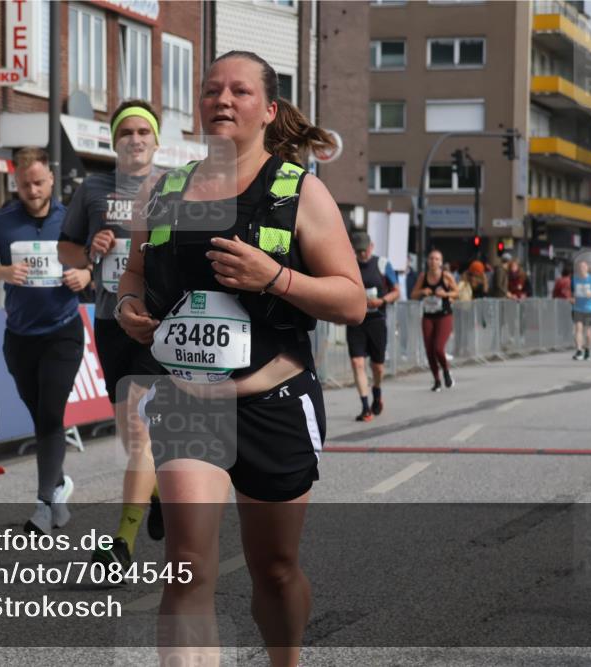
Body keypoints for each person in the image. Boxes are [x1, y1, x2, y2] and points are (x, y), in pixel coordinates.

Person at [117, 50, 365, 666]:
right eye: (212, 91)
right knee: (186, 569)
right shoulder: (164, 188)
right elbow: (135, 273)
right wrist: (129, 309)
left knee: (275, 571)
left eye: (240, 92)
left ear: (268, 109)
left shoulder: (297, 191)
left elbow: (352, 301)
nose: (223, 100)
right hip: (189, 405)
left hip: (273, 402)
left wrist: (274, 277)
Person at [57, 99, 165, 570]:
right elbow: (65, 252)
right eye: (127, 133)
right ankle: (158, 493)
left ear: (156, 141)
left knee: (140, 433)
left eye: (144, 132)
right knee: (130, 435)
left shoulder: (173, 185)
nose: (136, 140)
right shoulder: (93, 188)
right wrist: (88, 249)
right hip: (108, 321)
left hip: (156, 323)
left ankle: (121, 543)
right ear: (114, 141)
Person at [0, 147, 92, 533]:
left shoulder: (71, 219)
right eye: (24, 185)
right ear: (15, 183)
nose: (32, 191)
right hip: (19, 337)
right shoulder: (4, 222)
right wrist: (0, 271)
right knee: (41, 419)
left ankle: (42, 505)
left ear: (52, 179)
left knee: (52, 416)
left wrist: (85, 276)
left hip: (63, 333)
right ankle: (57, 484)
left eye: (38, 183)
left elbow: (98, 260)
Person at [345, 232, 399, 422]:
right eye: (359, 251)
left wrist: (382, 301)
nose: (362, 254)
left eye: (365, 250)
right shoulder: (349, 265)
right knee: (357, 363)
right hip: (356, 321)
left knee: (378, 367)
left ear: (372, 246)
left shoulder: (383, 264)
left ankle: (377, 391)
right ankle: (366, 407)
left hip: (376, 320)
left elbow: (396, 292)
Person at [411, 248, 458, 391]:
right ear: (427, 261)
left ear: (441, 262)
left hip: (444, 315)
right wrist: (422, 292)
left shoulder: (446, 276)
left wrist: (445, 293)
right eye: (431, 258)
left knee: (438, 347)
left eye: (437, 259)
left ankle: (446, 371)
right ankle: (436, 380)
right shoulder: (423, 277)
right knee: (429, 349)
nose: (433, 261)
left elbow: (456, 292)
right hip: (428, 316)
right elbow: (413, 294)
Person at [569, 259, 591, 361]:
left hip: (589, 309)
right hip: (577, 308)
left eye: (583, 267)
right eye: (579, 267)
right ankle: (579, 350)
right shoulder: (574, 280)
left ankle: (587, 350)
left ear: (587, 268)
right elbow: (571, 292)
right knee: (578, 329)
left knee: (588, 331)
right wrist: (571, 298)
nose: (581, 269)